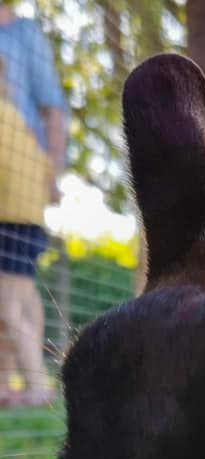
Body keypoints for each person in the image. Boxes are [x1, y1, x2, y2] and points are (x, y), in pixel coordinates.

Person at [0, 3, 66, 406]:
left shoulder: (26, 35)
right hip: (22, 213)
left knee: (9, 305)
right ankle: (8, 384)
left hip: (13, 212)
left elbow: (54, 112)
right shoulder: (16, 121)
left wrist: (51, 176)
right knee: (19, 297)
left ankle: (37, 385)